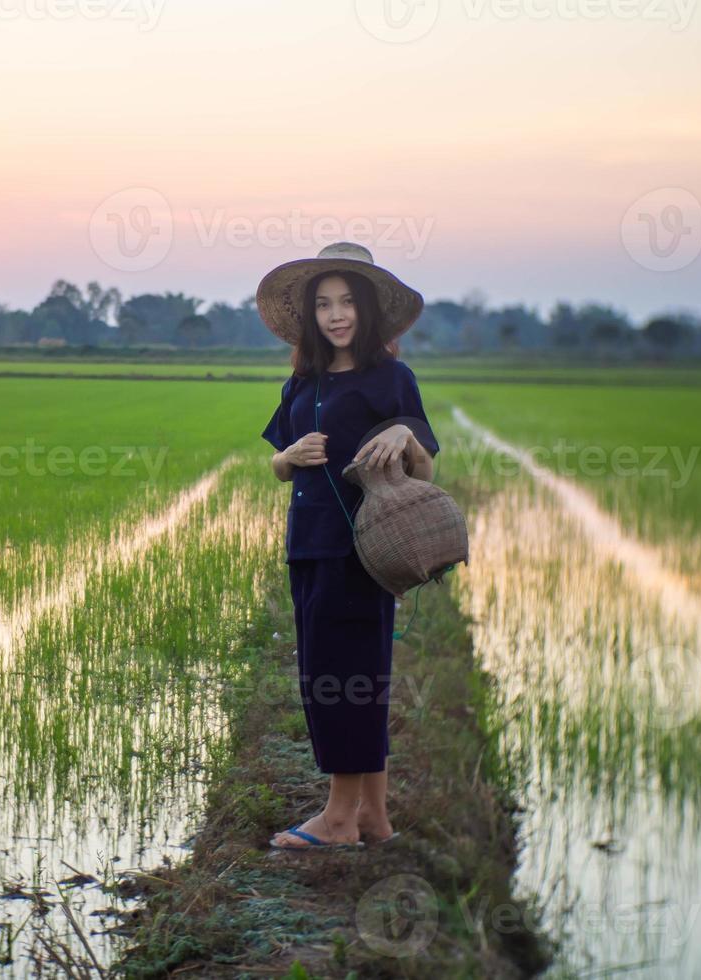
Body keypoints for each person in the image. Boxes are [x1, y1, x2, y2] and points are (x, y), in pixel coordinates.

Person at [256, 242, 440, 850]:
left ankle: (337, 820)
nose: (336, 315)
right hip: (307, 545)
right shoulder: (302, 381)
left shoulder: (390, 377)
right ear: (311, 315)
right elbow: (281, 466)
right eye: (325, 304)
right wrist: (289, 455)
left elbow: (426, 467)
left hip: (361, 552)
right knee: (345, 677)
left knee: (342, 680)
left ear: (367, 311)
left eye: (348, 303)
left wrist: (398, 432)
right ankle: (373, 818)